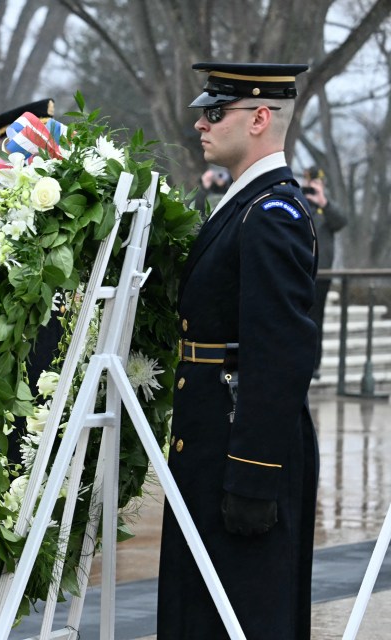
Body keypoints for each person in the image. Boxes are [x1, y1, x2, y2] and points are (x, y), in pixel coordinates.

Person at [157, 62, 319, 640]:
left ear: (258, 118)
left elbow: (280, 354)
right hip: (212, 435)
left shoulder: (272, 212)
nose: (201, 122)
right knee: (202, 608)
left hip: (239, 446)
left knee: (242, 614)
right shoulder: (244, 203)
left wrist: (253, 475)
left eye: (215, 111)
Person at [302, 165, 347, 378]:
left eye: (317, 184)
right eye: (311, 183)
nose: (313, 187)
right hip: (301, 271)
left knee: (316, 319)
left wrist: (323, 201)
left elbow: (341, 222)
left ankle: (314, 365)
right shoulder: (299, 201)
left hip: (322, 274)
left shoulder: (326, 207)